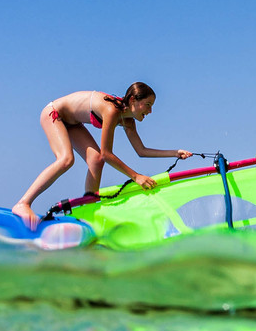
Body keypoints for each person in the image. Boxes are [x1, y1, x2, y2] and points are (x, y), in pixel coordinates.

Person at [11, 82, 190, 227]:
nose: (150, 111)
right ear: (134, 100)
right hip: (54, 114)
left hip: (72, 123)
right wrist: (136, 177)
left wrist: (175, 153)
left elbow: (141, 151)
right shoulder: (112, 110)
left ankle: (88, 213)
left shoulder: (128, 121)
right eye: (148, 105)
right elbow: (107, 153)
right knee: (66, 160)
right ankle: (23, 203)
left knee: (95, 160)